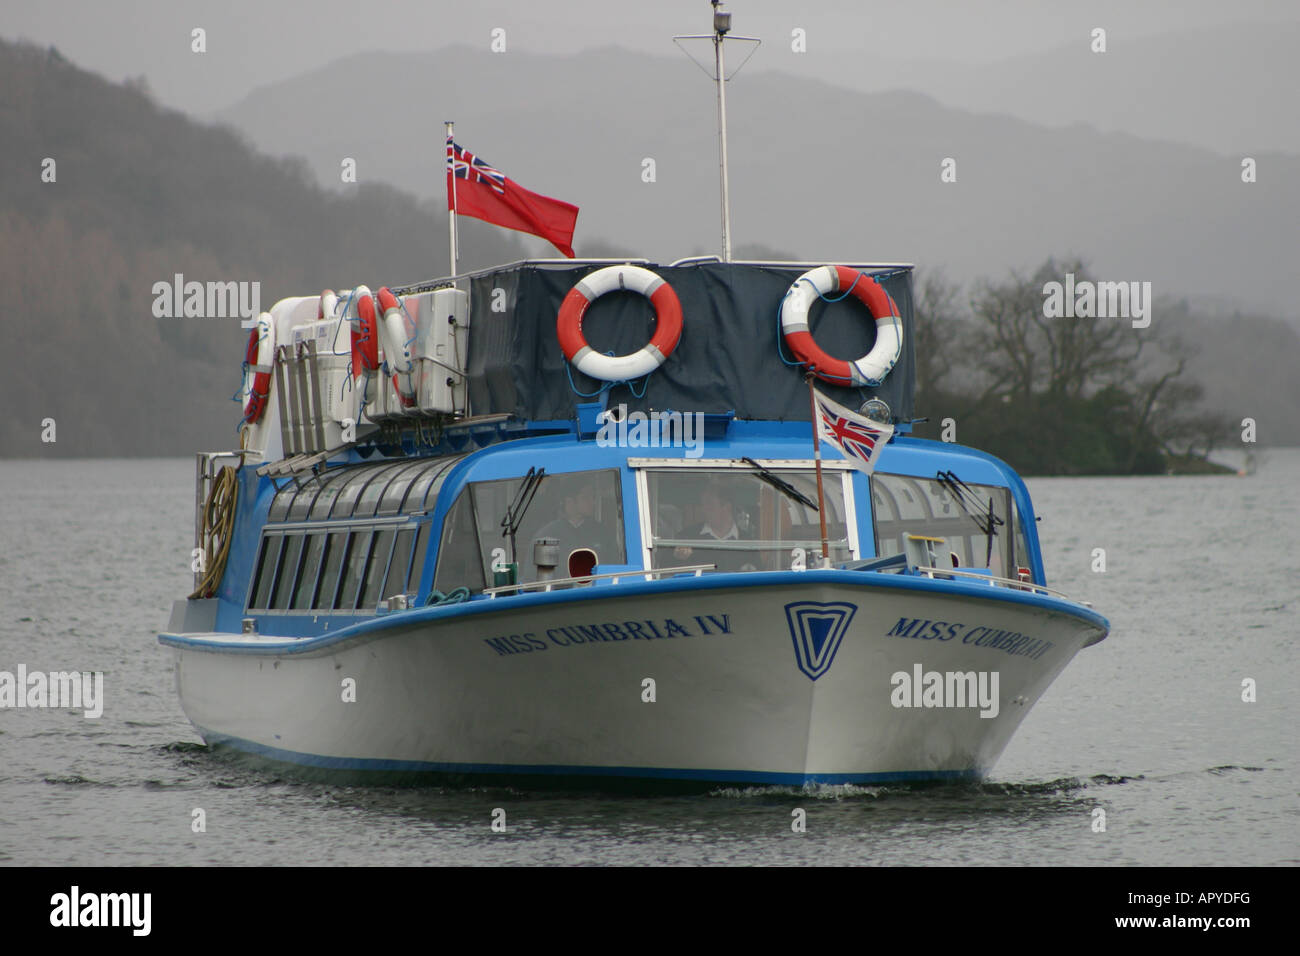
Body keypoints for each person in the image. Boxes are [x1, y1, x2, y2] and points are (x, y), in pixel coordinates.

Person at [533, 479, 620, 573]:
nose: (593, 502)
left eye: (593, 497)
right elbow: (533, 577)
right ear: (569, 502)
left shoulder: (603, 533)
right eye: (586, 497)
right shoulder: (547, 535)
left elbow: (615, 570)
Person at [674, 480, 757, 572]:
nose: (703, 510)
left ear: (727, 507)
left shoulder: (748, 543)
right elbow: (667, 571)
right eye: (703, 505)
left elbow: (758, 576)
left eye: (709, 504)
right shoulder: (687, 537)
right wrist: (678, 557)